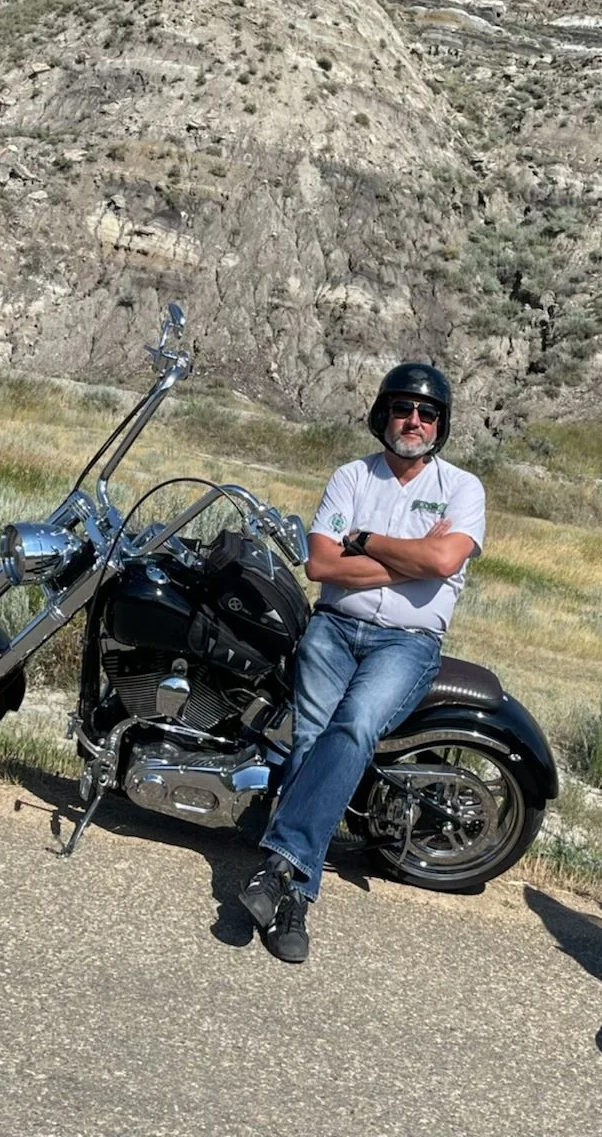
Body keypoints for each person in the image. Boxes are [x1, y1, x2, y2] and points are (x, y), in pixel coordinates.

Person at [238, 362, 486, 963]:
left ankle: (278, 872)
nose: (415, 421)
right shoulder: (351, 476)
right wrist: (413, 559)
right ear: (383, 415)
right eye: (404, 409)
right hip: (335, 626)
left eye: (427, 414)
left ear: (440, 425)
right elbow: (321, 566)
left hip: (407, 643)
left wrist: (368, 541)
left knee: (352, 729)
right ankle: (294, 896)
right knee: (310, 741)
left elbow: (444, 562)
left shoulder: (462, 488)